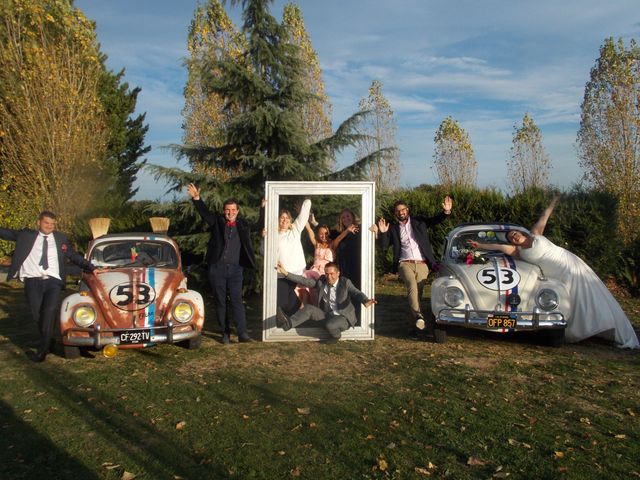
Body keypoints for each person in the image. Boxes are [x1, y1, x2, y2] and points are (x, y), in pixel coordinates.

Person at [468, 196, 639, 349]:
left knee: (590, 294)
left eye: (515, 233)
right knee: (573, 299)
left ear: (520, 232)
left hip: (570, 263)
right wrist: (480, 246)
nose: (514, 236)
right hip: (557, 274)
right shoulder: (518, 251)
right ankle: (581, 327)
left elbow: (544, 217)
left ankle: (609, 325)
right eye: (511, 237)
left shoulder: (535, 234)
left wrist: (554, 201)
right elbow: (498, 246)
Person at [0, 211, 99, 362]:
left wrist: (91, 267)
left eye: (52, 224)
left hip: (53, 281)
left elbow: (73, 255)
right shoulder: (26, 235)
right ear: (39, 222)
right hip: (32, 281)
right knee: (37, 314)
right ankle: (49, 340)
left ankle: (43, 350)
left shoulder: (60, 239)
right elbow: (5, 233)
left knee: (49, 311)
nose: (50, 226)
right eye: (47, 223)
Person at [187, 184, 263, 344]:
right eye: (227, 210)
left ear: (238, 211)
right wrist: (197, 199)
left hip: (236, 270)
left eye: (233, 210)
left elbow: (258, 225)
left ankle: (243, 334)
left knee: (236, 300)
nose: (230, 212)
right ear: (224, 211)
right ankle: (225, 334)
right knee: (221, 301)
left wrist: (263, 208)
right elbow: (205, 214)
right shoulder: (217, 221)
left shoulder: (243, 224)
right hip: (217, 269)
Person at [373, 196, 453, 336]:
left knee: (418, 295)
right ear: (395, 213)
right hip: (405, 263)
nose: (401, 212)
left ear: (407, 210)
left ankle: (416, 328)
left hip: (422, 264)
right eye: (398, 211)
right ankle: (418, 317)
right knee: (412, 286)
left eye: (403, 210)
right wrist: (383, 233)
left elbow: (435, 220)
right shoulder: (392, 228)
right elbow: (384, 246)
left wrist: (446, 212)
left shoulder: (419, 221)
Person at [275, 261, 376, 342]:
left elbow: (356, 292)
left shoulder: (345, 282)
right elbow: (304, 281)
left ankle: (336, 337)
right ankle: (287, 323)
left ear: (338, 273)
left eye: (332, 274)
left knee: (330, 325)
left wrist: (365, 300)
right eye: (326, 274)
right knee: (309, 308)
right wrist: (286, 273)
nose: (329, 277)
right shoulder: (322, 281)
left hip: (343, 317)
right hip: (327, 314)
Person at [277, 198, 311, 315]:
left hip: (295, 274)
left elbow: (304, 215)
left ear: (290, 220)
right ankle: (300, 314)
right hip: (280, 274)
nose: (285, 220)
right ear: (277, 220)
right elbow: (263, 250)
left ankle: (296, 316)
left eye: (287, 218)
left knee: (283, 302)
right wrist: (264, 237)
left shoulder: (295, 230)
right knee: (284, 302)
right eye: (282, 217)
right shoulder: (273, 235)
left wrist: (307, 199)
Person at [331, 208, 361, 289]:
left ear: (353, 217)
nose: (346, 219)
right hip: (344, 266)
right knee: (345, 289)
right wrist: (346, 231)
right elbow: (333, 245)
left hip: (358, 264)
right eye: (343, 217)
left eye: (348, 216)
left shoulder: (361, 228)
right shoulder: (338, 232)